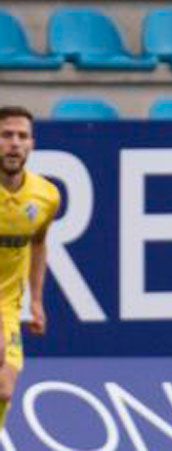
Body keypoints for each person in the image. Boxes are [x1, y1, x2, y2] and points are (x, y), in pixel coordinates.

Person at [0, 107, 59, 430]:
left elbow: (37, 244)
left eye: (22, 136)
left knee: (5, 389)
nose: (14, 143)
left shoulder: (46, 196)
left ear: (32, 144)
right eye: (6, 135)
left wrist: (36, 301)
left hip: (8, 305)